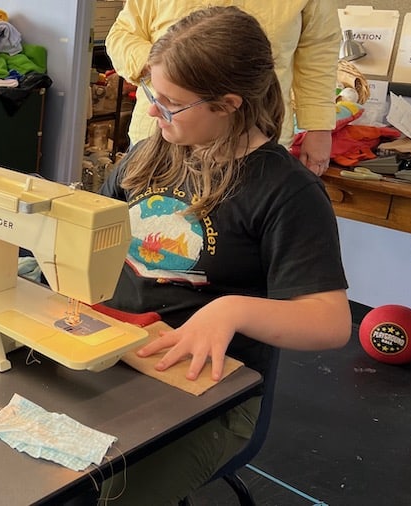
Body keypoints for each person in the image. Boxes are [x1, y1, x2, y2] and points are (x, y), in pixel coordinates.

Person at [96, 6, 351, 504]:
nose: (153, 112)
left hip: (211, 395)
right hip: (120, 356)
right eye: (153, 95)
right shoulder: (150, 155)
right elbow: (93, 232)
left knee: (112, 495)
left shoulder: (285, 191)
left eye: (170, 103)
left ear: (229, 103)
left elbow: (331, 322)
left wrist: (232, 309)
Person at [105, 0, 340, 176]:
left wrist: (319, 128)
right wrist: (170, 65)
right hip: (162, 138)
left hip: (253, 142)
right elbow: (122, 35)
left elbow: (318, 48)